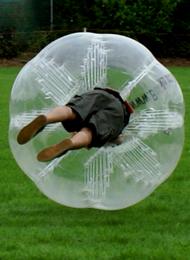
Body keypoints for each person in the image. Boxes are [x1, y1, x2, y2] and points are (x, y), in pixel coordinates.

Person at [17, 88, 133, 162]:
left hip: (103, 93)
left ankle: (47, 118)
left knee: (72, 111)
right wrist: (114, 140)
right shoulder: (120, 126)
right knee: (90, 132)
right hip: (121, 113)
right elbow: (119, 140)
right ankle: (72, 143)